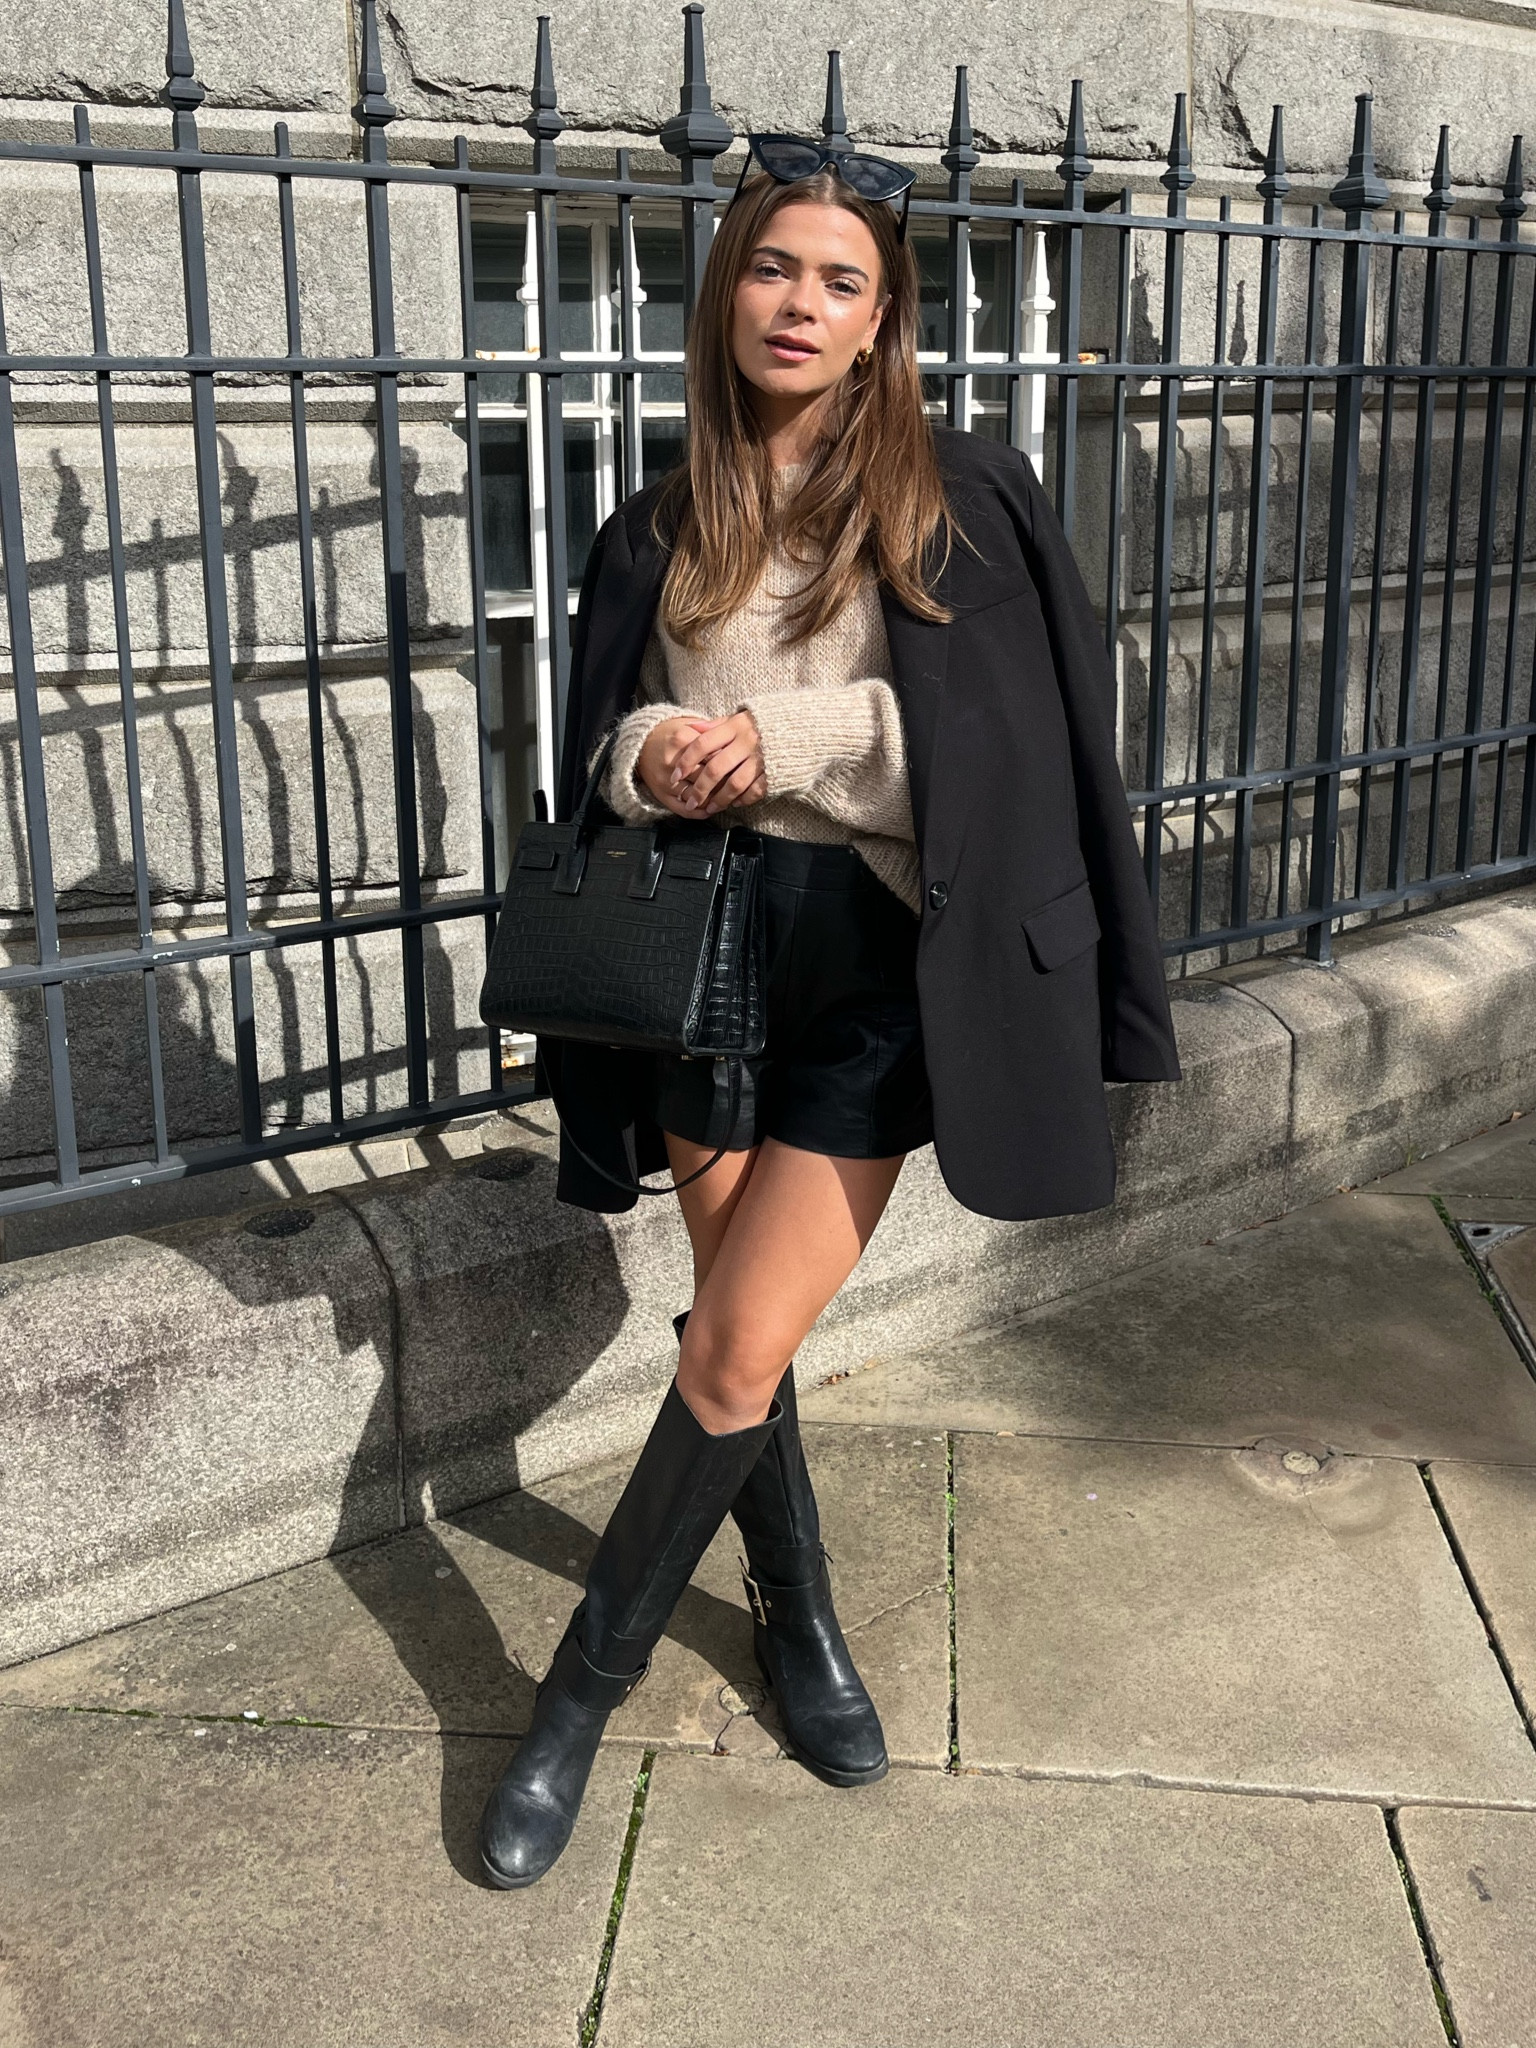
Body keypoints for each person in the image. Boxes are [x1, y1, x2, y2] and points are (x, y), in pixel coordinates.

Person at [479, 135, 1180, 1889]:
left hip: (876, 966)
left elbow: (1020, 749)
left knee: (728, 1346)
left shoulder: (964, 496)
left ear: (883, 321)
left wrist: (779, 743)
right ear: (728, 292)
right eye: (776, 268)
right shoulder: (659, 522)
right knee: (747, 1332)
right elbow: (604, 739)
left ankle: (570, 1705)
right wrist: (657, 755)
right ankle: (797, 1616)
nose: (802, 303)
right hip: (702, 959)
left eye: (841, 281)